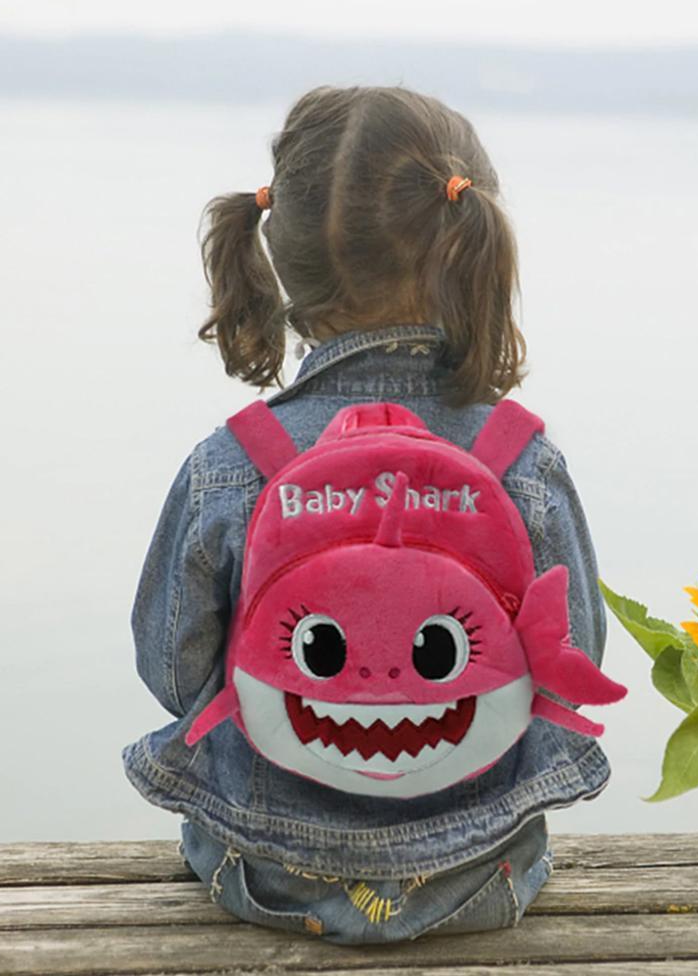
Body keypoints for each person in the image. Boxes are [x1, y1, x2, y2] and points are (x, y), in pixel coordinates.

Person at [123, 84, 614, 945]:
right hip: (483, 874)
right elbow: (572, 662)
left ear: (281, 256)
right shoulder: (521, 460)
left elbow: (174, 670)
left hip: (259, 871)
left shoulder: (234, 461)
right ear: (469, 248)